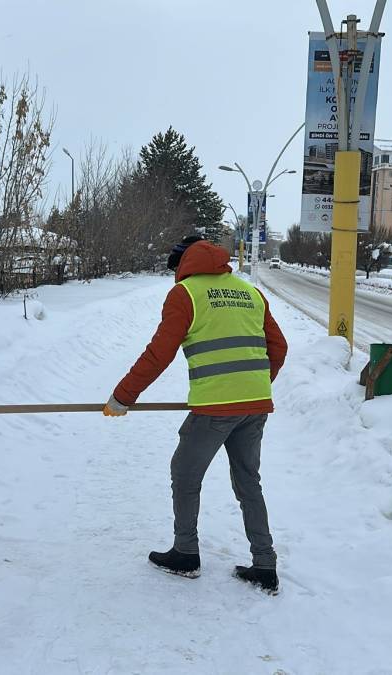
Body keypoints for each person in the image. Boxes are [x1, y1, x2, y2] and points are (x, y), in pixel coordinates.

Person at [103, 235, 288, 595]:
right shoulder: (249, 292)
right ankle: (265, 564)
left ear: (183, 264)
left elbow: (159, 353)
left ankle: (186, 553)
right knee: (248, 482)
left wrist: (123, 397)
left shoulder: (185, 294)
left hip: (215, 407)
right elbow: (278, 346)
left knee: (185, 474)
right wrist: (253, 385)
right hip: (256, 404)